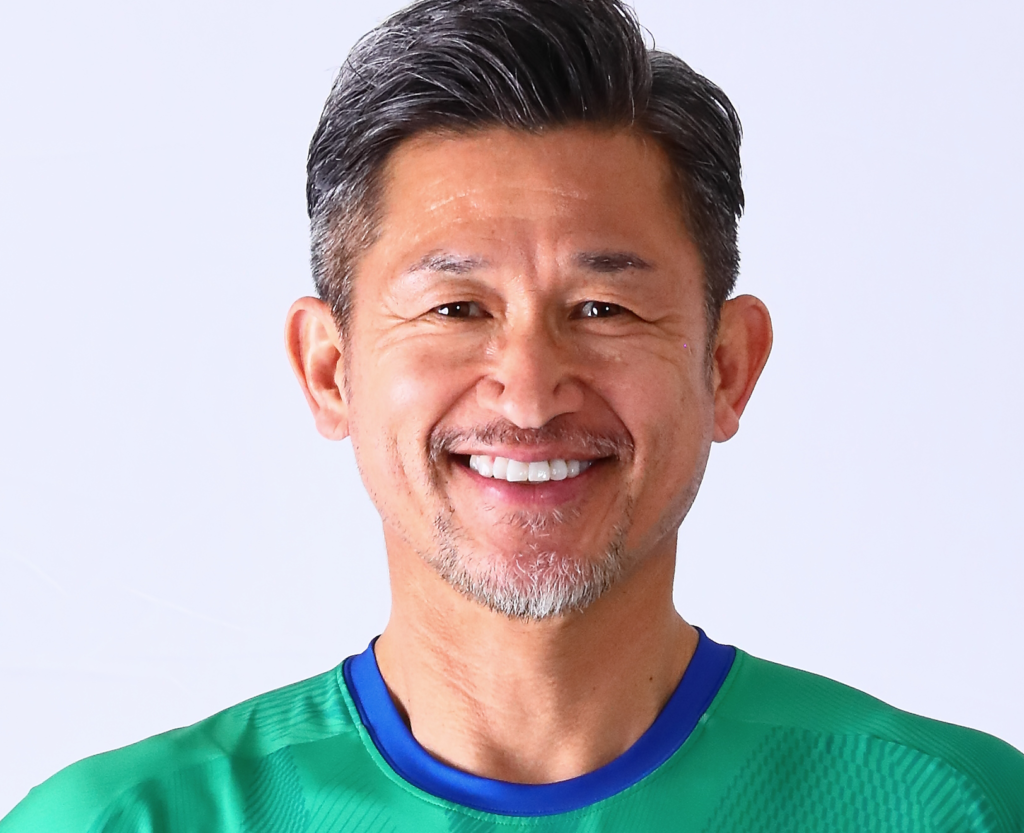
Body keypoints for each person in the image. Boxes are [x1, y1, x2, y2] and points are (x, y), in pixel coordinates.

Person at [3, 0, 1022, 830]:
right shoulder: (125, 823)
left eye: (603, 308)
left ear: (726, 366)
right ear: (330, 370)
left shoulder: (955, 810)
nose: (529, 394)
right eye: (456, 308)